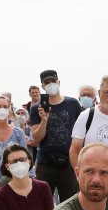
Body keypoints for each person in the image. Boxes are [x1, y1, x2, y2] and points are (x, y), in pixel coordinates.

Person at [29, 69, 83, 198]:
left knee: (71, 202)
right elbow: (36, 138)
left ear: (59, 82)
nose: (51, 84)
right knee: (42, 200)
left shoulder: (73, 103)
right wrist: (44, 120)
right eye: (47, 82)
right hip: (46, 162)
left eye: (53, 81)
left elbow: (80, 132)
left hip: (69, 162)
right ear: (42, 85)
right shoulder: (36, 108)